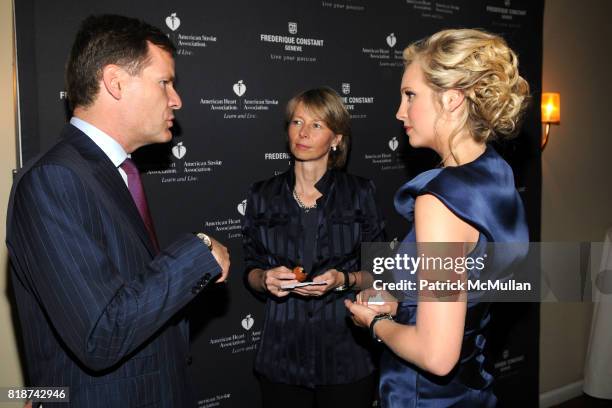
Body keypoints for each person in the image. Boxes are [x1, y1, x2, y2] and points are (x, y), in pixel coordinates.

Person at [6, 14, 230, 407]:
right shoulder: (53, 179)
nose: (176, 99)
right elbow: (101, 334)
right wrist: (197, 252)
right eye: (165, 82)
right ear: (115, 82)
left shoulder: (112, 173)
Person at [345, 29, 530, 407]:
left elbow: (436, 356)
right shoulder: (496, 174)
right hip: (472, 387)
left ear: (451, 99)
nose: (399, 112)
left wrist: (375, 324)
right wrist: (404, 306)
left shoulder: (442, 201)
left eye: (410, 95)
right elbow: (470, 292)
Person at [242, 87, 385, 408]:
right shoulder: (261, 195)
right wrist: (263, 279)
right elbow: (249, 269)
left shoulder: (360, 193)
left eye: (316, 125)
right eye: (296, 122)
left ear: (336, 139)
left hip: (346, 355)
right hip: (281, 357)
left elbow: (381, 274)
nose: (303, 133)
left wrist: (343, 280)